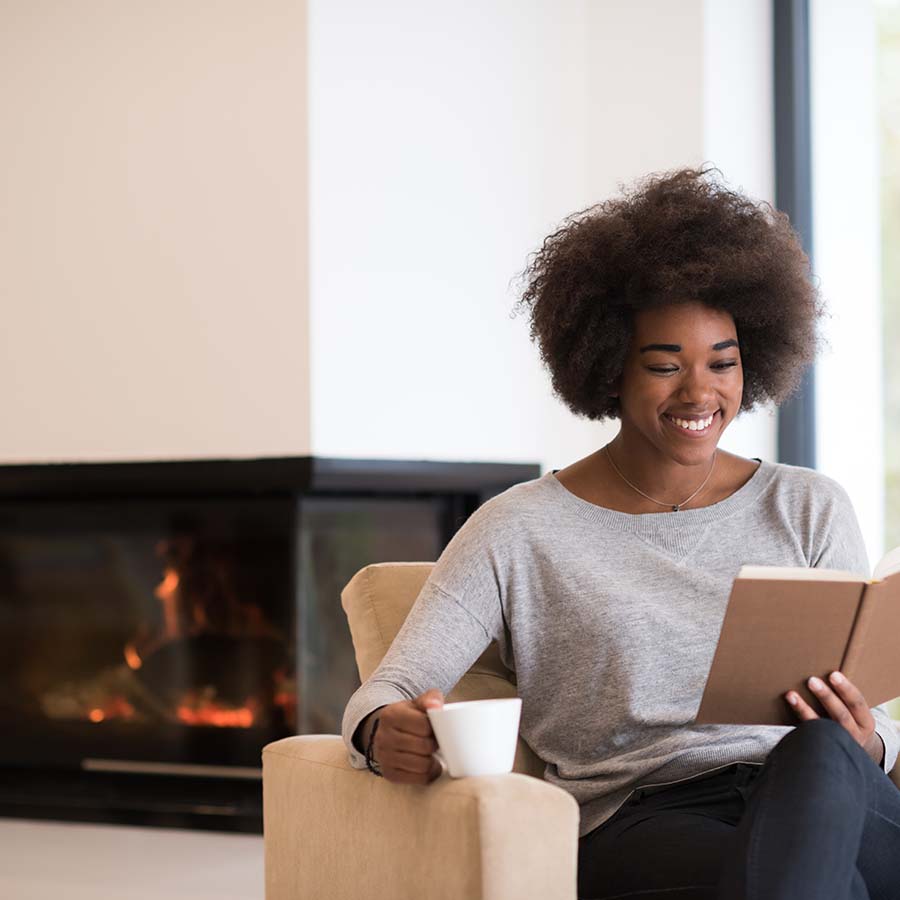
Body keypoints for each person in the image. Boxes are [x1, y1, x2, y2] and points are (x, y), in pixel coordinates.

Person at [341, 168, 900, 899]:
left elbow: (875, 720)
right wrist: (380, 732)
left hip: (826, 793)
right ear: (607, 369)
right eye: (665, 365)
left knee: (823, 755)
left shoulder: (808, 505)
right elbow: (389, 688)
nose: (700, 393)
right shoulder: (519, 528)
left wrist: (871, 739)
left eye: (722, 364)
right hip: (645, 821)